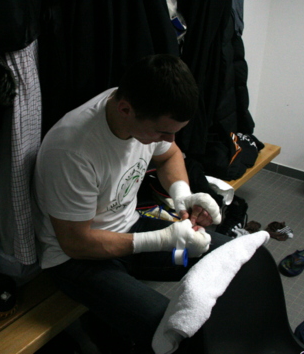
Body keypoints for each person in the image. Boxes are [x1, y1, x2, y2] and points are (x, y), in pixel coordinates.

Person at [33, 54, 233, 352]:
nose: (169, 138)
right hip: (77, 259)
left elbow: (169, 155)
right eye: (163, 132)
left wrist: (182, 196)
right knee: (170, 327)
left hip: (131, 231)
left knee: (231, 260)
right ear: (125, 109)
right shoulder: (71, 150)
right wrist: (164, 239)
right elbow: (75, 243)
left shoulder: (144, 110)